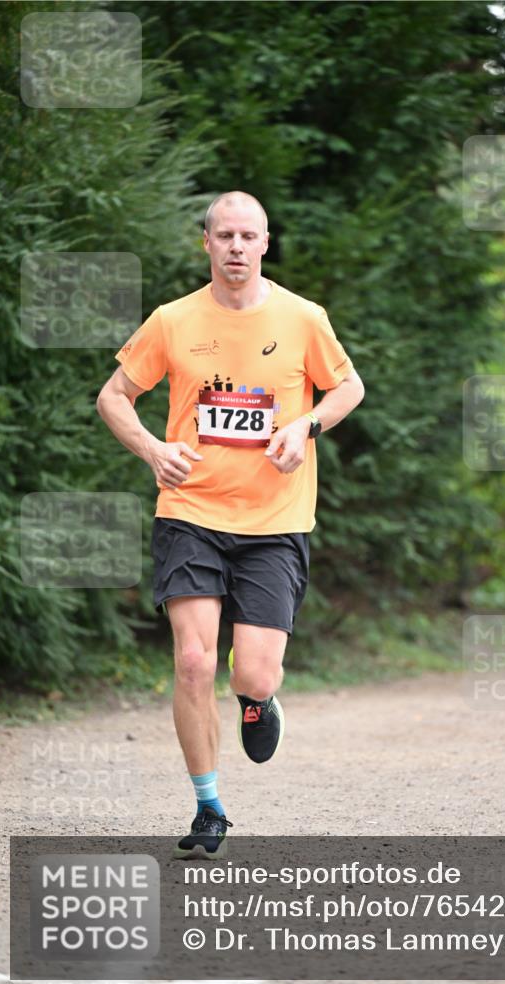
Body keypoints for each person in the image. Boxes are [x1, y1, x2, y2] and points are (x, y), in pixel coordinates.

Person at [96, 191, 364, 859]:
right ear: (207, 244)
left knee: (255, 674)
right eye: (224, 235)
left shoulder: (302, 318)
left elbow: (348, 387)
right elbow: (113, 396)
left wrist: (305, 424)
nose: (236, 246)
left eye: (248, 235)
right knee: (192, 662)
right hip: (191, 513)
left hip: (274, 520)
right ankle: (208, 806)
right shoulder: (173, 320)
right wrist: (154, 450)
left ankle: (254, 701)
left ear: (265, 243)